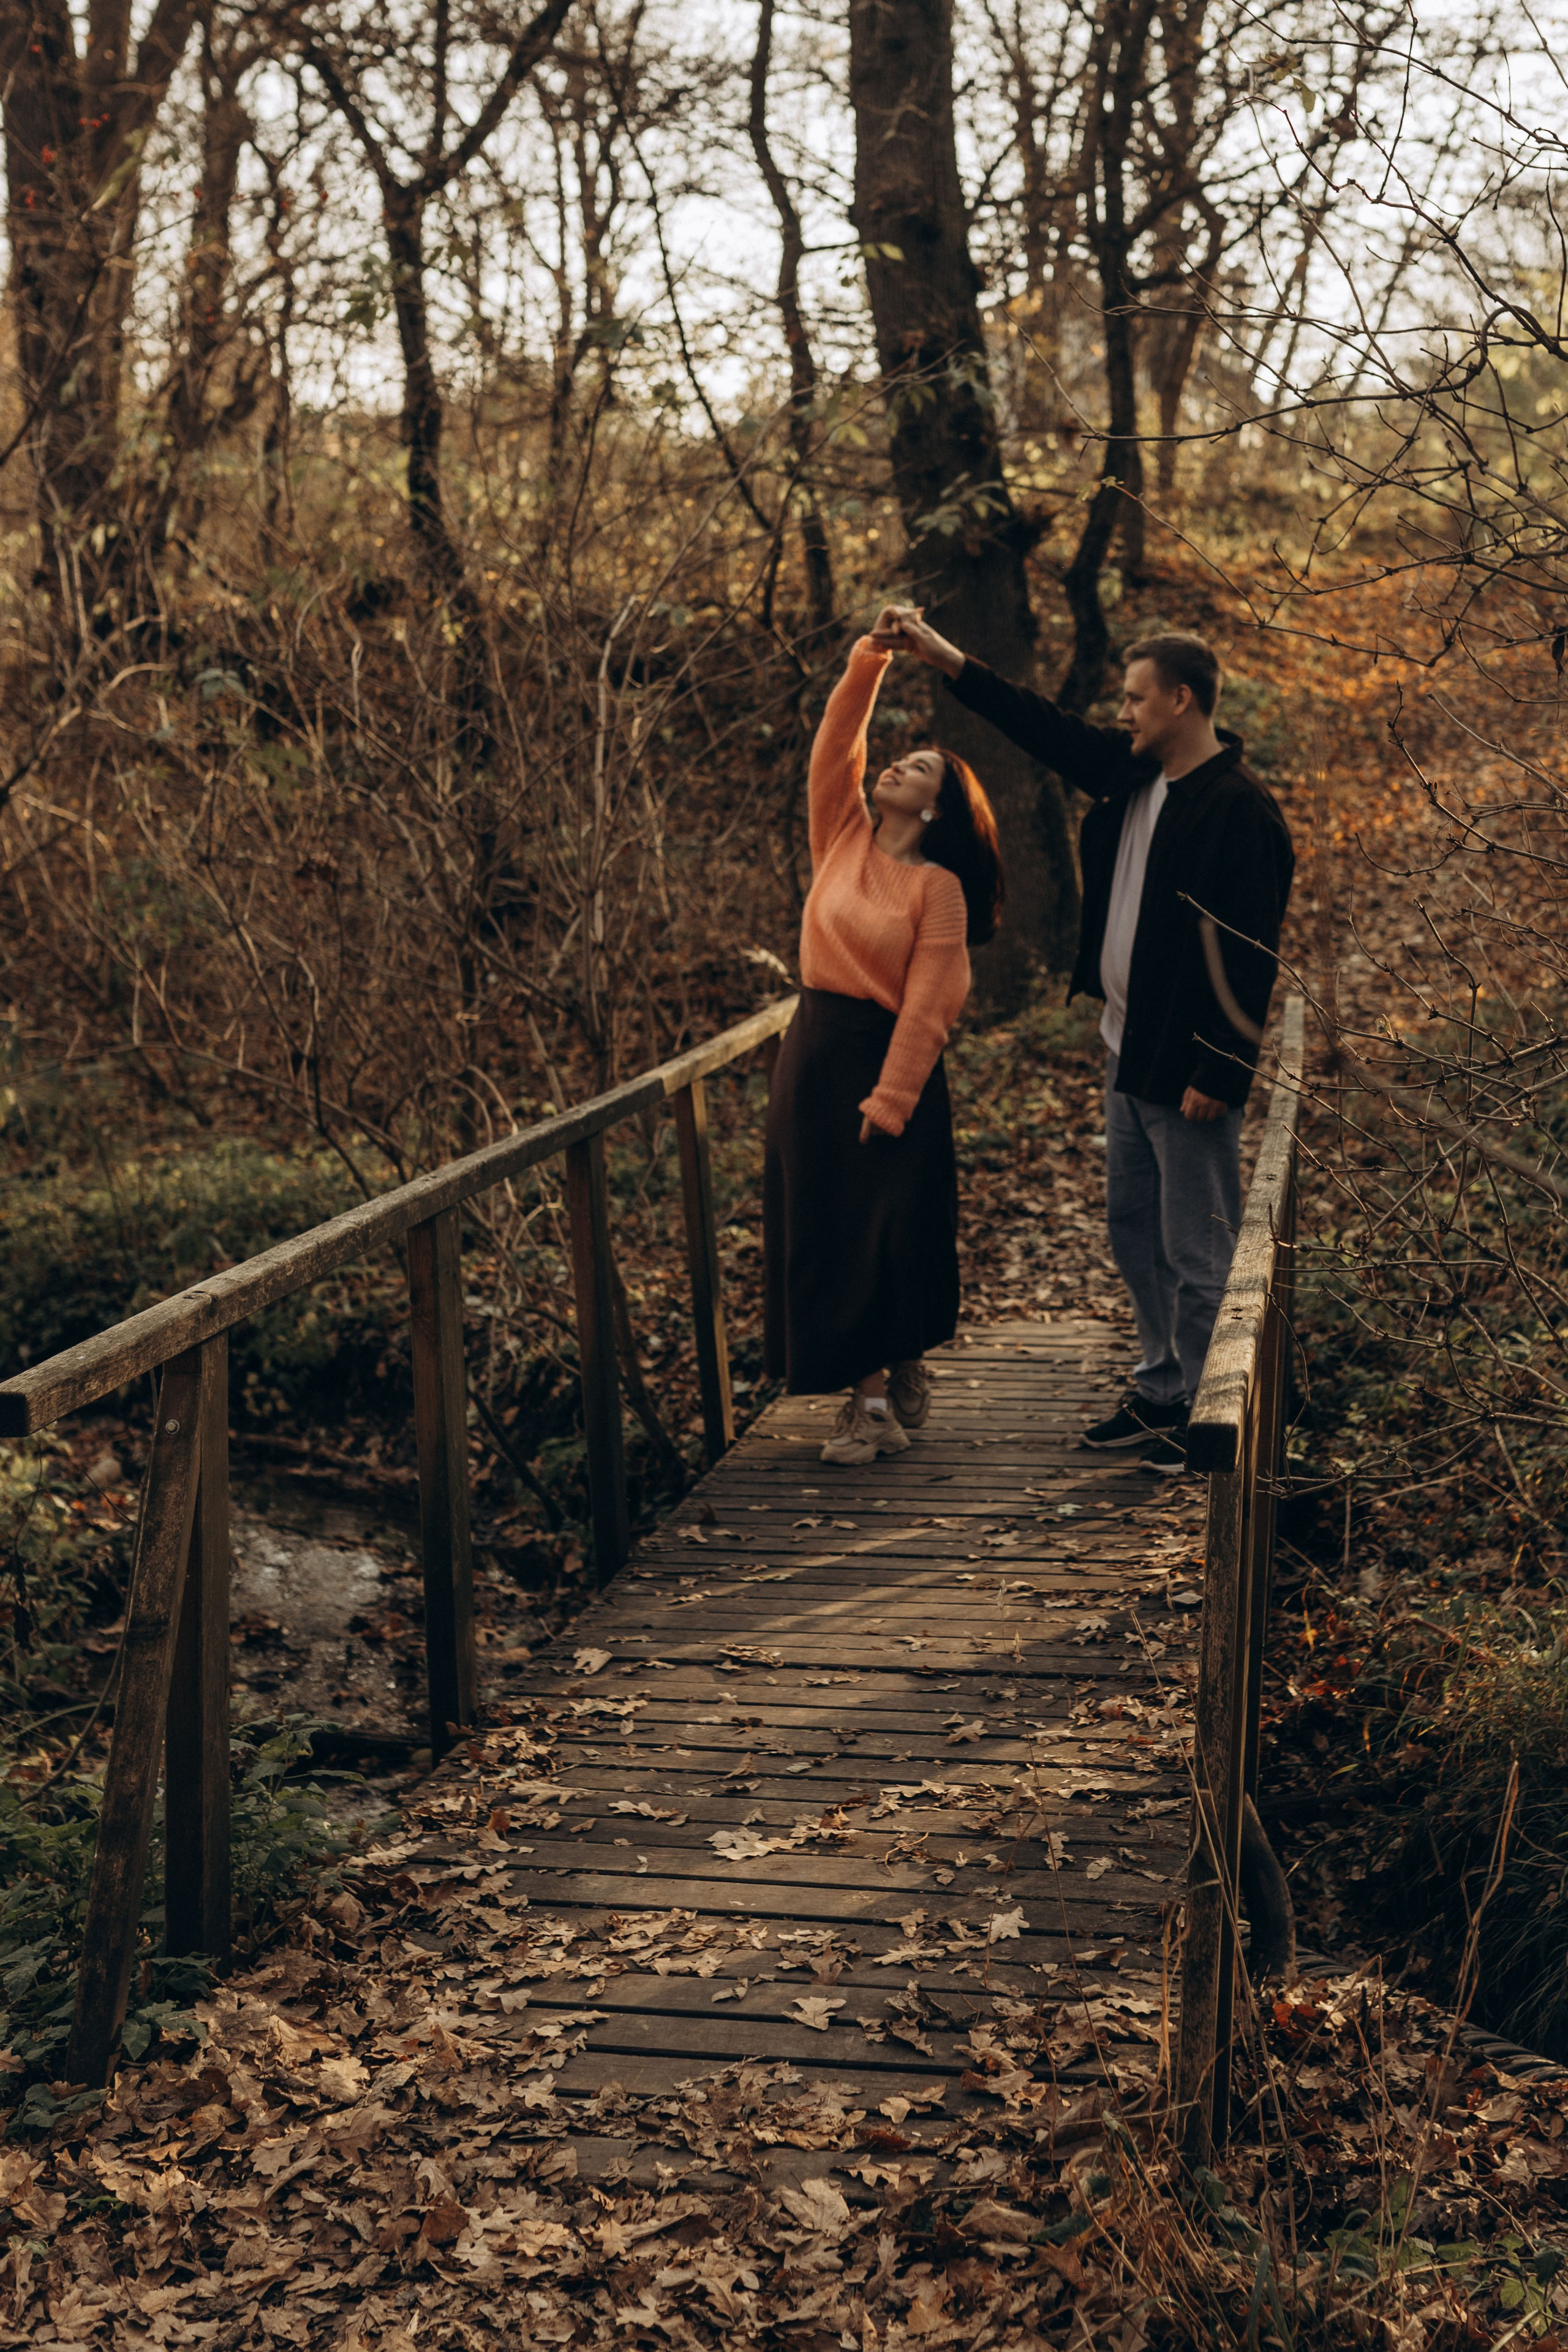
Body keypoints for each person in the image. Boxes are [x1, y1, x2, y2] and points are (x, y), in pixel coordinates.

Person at [873, 608, 1294, 1477]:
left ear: (1182, 700)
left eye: (1136, 698)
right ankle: (1162, 1390)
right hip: (1125, 1046)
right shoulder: (1133, 773)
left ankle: (1212, 1421)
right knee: (1134, 1228)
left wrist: (1223, 1068)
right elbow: (1039, 724)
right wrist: (945, 656)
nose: (1124, 712)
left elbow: (1253, 952)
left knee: (1196, 1245)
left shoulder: (1240, 810)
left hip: (1186, 1066)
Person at [764, 629, 1005, 1467]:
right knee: (826, 1227)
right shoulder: (843, 838)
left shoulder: (939, 889)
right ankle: (874, 1396)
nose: (898, 765)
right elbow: (835, 750)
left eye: (921, 767)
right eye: (901, 759)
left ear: (938, 807)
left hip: (886, 1062)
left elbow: (934, 999)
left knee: (884, 1234)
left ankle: (876, 1402)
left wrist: (893, 1096)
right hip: (814, 1053)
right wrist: (870, 659)